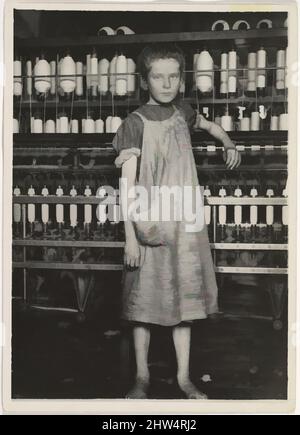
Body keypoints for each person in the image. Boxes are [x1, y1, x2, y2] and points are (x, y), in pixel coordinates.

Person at [112, 43, 241, 399]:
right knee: (144, 303)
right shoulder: (134, 124)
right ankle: (141, 378)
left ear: (181, 81)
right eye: (158, 77)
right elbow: (126, 186)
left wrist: (229, 143)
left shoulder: (184, 112)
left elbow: (211, 126)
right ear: (144, 81)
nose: (166, 83)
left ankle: (184, 377)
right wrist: (131, 239)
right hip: (148, 226)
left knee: (185, 302)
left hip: (184, 226)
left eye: (173, 76)